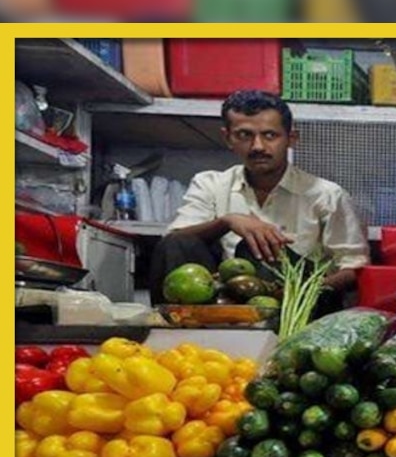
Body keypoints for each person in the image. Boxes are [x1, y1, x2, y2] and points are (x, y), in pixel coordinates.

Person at [149, 89, 369, 306]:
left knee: (256, 248)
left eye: (270, 135)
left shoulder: (326, 194)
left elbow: (353, 268)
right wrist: (228, 221)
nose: (258, 146)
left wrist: (306, 292)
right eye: (244, 135)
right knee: (176, 243)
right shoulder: (210, 184)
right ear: (228, 138)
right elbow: (175, 240)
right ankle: (179, 327)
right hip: (227, 298)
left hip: (298, 301)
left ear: (291, 138)